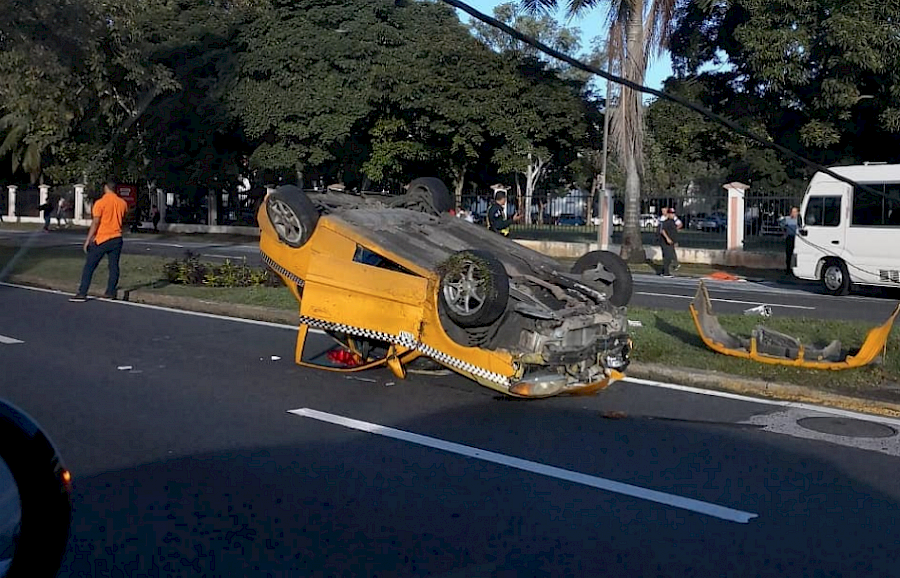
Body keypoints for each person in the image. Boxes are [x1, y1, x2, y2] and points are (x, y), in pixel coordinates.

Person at [70, 179, 128, 302]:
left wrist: (88, 239)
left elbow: (96, 222)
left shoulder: (100, 203)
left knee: (89, 266)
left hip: (102, 238)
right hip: (117, 237)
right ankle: (110, 292)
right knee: (113, 266)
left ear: (106, 188)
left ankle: (82, 292)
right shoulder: (122, 203)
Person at [779, 206, 800, 275]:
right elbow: (781, 225)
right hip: (790, 237)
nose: (793, 213)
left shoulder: (799, 220)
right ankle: (788, 269)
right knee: (789, 254)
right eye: (792, 212)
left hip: (798, 238)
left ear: (798, 213)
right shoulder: (787, 219)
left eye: (795, 212)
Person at [659, 207, 679, 277]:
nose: (672, 215)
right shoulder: (666, 222)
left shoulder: (673, 222)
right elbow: (662, 231)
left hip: (671, 242)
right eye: (671, 213)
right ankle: (666, 273)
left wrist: (675, 241)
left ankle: (664, 271)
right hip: (665, 242)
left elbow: (674, 232)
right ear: (668, 214)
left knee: (669, 257)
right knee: (667, 257)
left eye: (673, 213)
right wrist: (667, 238)